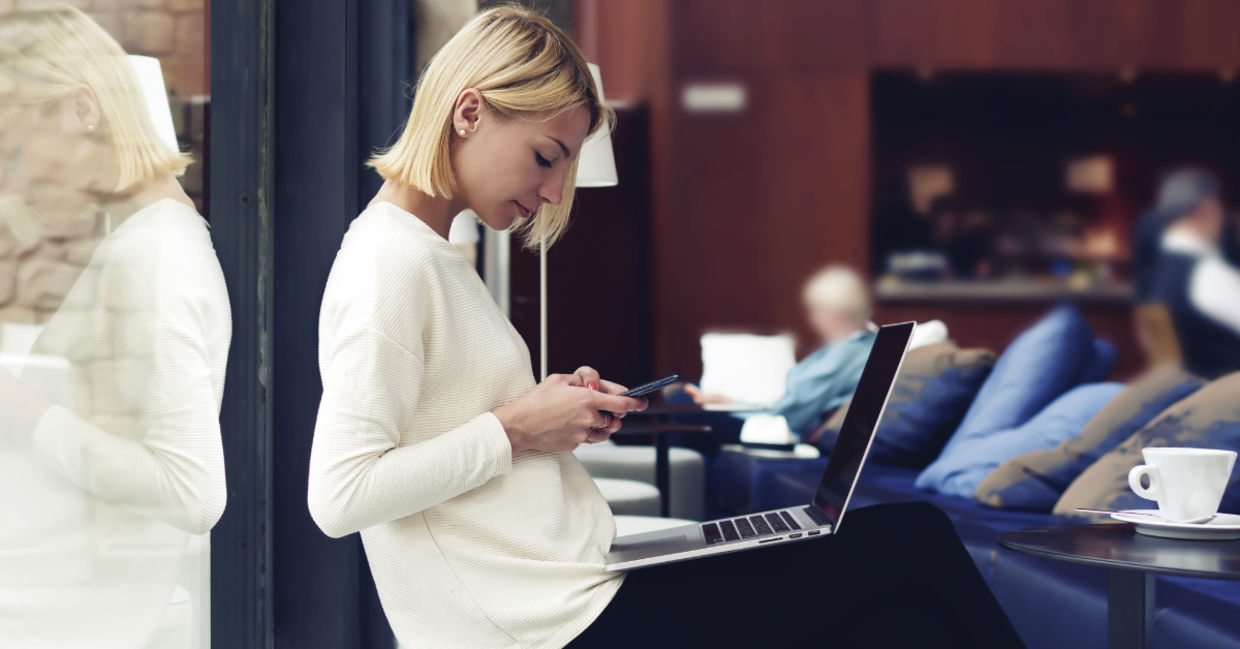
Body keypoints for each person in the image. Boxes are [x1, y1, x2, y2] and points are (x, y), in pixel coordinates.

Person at [306, 7, 1024, 649]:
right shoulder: (390, 265)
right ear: (468, 113)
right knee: (912, 546)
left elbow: (461, 421)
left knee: (894, 586)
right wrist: (520, 425)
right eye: (546, 157)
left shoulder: (435, 256)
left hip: (579, 583)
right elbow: (341, 495)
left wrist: (554, 411)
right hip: (550, 621)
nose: (556, 191)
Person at [0, 8, 230, 648]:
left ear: (83, 109)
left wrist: (22, 413)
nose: (12, 181)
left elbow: (191, 492)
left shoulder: (156, 256)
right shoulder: (136, 242)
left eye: (15, 150)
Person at [685, 265, 877, 437]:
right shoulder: (869, 343)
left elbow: (789, 412)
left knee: (685, 404)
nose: (811, 320)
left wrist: (733, 405)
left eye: (815, 311)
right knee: (692, 397)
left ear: (837, 313)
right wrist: (731, 402)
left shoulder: (845, 354)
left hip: (784, 431)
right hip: (784, 420)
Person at [1139, 168, 1240, 378]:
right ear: (1208, 210)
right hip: (1228, 398)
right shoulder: (1207, 272)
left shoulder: (1158, 272)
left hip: (1197, 397)